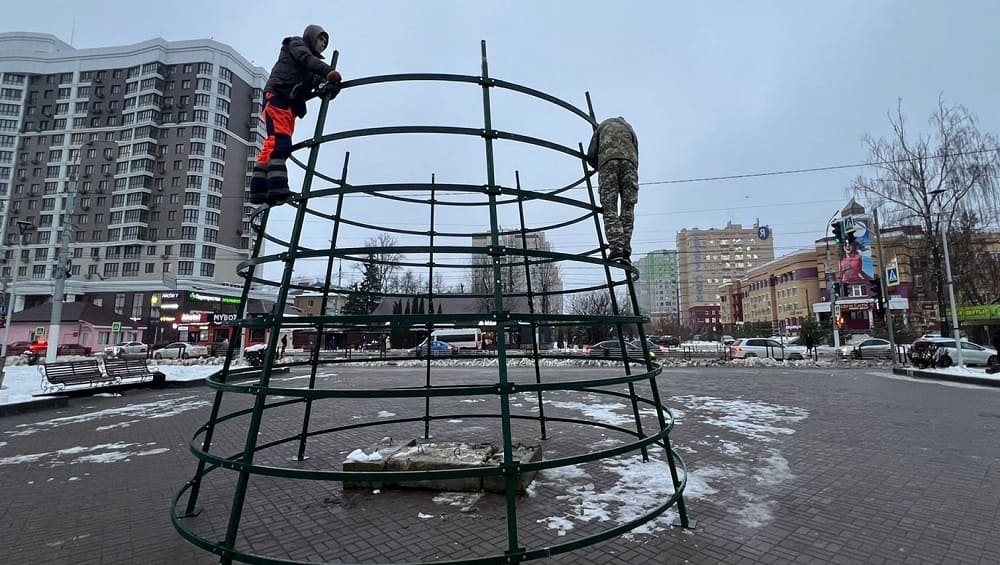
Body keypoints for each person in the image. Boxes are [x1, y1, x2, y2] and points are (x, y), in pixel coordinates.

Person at [251, 24, 344, 206]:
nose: (323, 44)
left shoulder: (310, 66)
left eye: (325, 42)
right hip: (279, 96)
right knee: (281, 142)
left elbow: (318, 81)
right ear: (311, 37)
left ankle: (259, 190)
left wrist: (331, 86)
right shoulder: (296, 44)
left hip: (287, 104)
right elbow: (306, 60)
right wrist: (328, 72)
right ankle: (278, 188)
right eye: (321, 39)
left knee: (271, 144)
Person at [587, 116, 639, 266]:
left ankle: (616, 248)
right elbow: (636, 153)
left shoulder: (602, 126)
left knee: (609, 207)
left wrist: (598, 164)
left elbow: (591, 154)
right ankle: (625, 251)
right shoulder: (631, 130)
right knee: (628, 209)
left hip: (608, 163)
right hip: (630, 166)